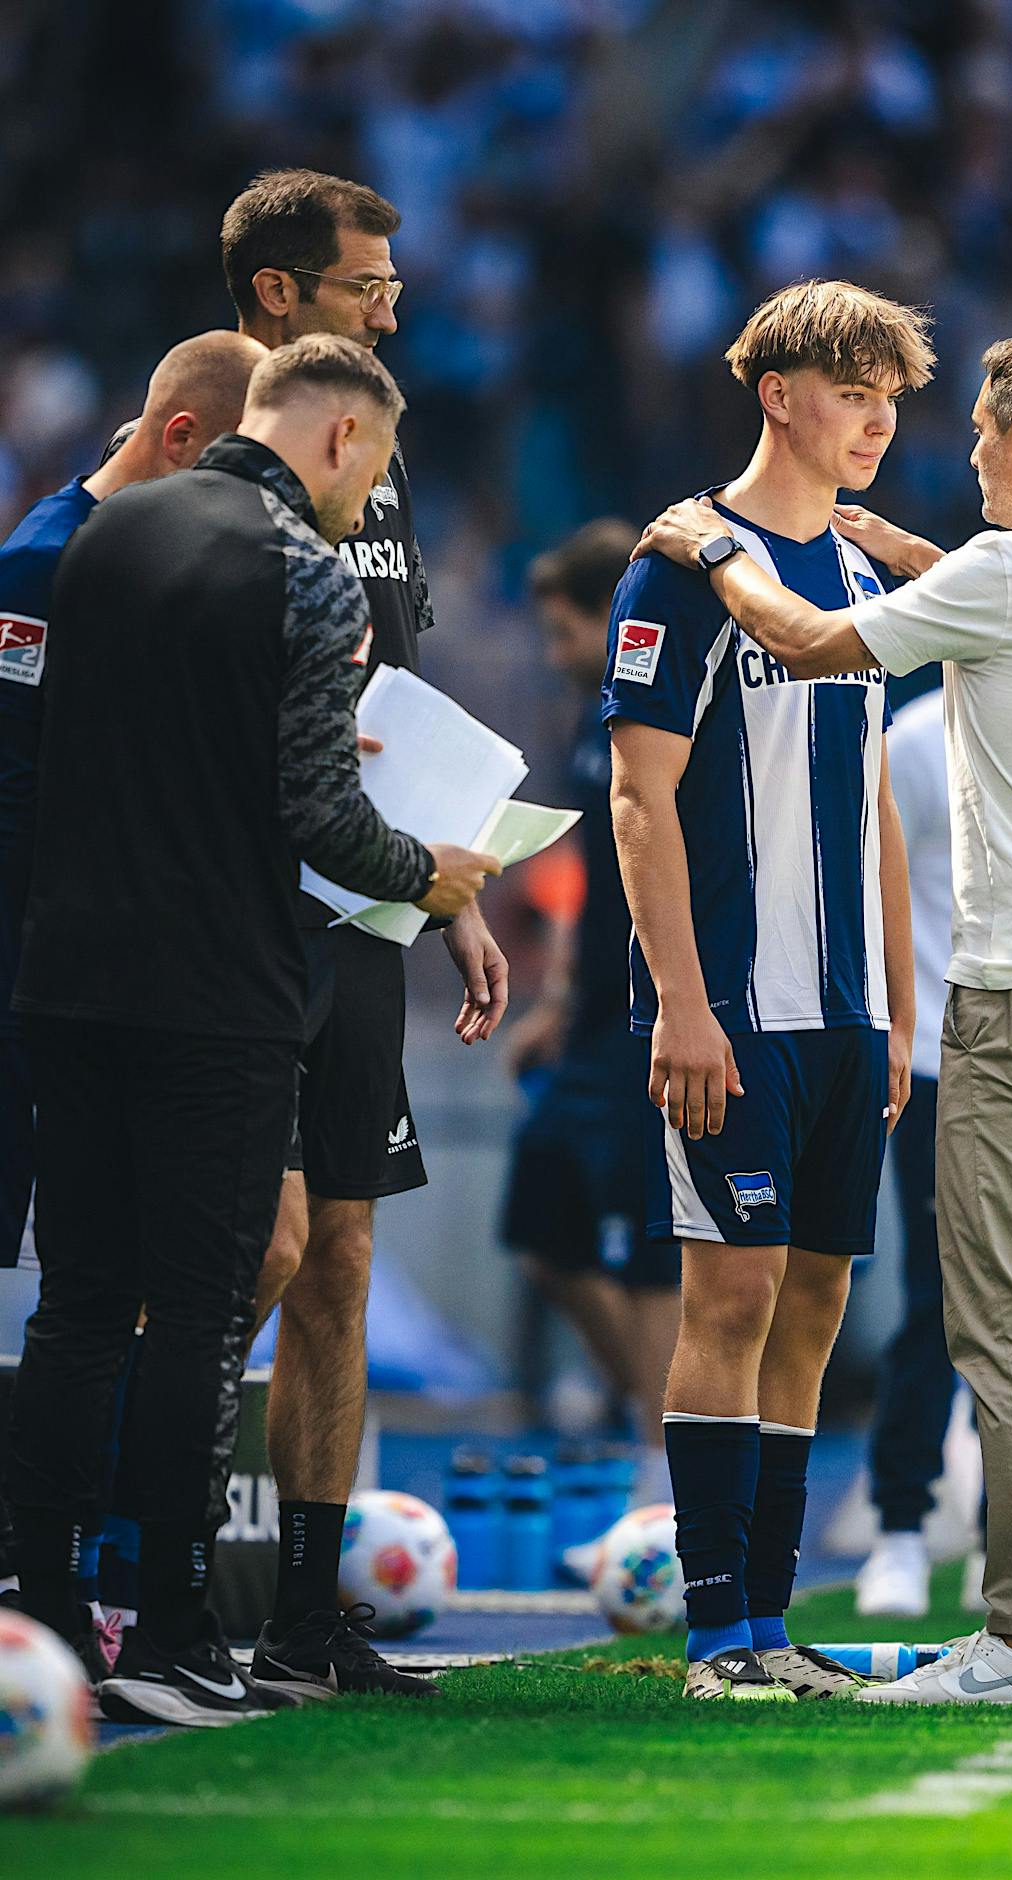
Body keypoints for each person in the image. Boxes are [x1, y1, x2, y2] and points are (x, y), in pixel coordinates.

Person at [638, 327, 1012, 1707]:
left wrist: (707, 549)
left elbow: (813, 639)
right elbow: (1003, 599)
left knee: (1006, 1323)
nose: (962, 461)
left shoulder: (1007, 578)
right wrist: (902, 547)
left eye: (972, 440)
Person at [4, 334, 496, 1723]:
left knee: (84, 1306)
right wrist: (435, 874)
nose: (368, 504)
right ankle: (170, 1638)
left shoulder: (101, 534)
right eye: (375, 472)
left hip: (69, 975)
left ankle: (44, 1615)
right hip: (216, 989)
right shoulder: (305, 574)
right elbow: (319, 817)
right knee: (205, 1319)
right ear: (339, 439)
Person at [606, 280, 926, 1701]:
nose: (877, 419)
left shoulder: (860, 576)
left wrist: (902, 1008)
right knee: (727, 1305)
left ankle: (772, 1631)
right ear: (778, 391)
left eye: (893, 398)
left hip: (849, 1018)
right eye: (854, 389)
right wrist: (681, 1000)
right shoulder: (682, 562)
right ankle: (712, 1635)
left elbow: (881, 804)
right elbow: (636, 798)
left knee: (814, 1312)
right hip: (731, 1008)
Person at [217, 169, 511, 1700]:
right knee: (231, 1256)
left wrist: (438, 899)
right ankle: (138, 1575)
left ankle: (305, 1620)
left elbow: (398, 702)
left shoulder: (377, 462)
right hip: (248, 921)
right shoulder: (222, 427)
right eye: (363, 285)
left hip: (370, 911)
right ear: (279, 296)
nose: (392, 303)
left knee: (339, 1255)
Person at [0, 331, 268, 1615]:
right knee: (112, 1290)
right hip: (60, 979)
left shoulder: (116, 563)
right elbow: (16, 798)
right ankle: (118, 1602)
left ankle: (77, 1592)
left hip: (72, 970)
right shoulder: (46, 565)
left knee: (93, 1291)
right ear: (177, 443)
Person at [500, 520, 679, 1450]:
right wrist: (558, 1001)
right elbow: (587, 871)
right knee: (543, 1230)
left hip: (660, 1019)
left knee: (655, 1257)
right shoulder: (592, 717)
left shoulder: (669, 702)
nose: (553, 652)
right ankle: (656, 1424)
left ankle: (667, 1455)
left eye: (564, 630)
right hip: (594, 1025)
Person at [852, 683, 959, 1619]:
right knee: (941, 1298)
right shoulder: (916, 745)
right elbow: (865, 881)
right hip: (935, 1063)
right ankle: (901, 1528)